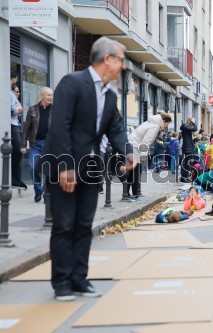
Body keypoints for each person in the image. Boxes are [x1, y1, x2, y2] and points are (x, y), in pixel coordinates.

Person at [42, 37, 135, 301]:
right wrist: (66, 167)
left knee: (84, 225)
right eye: (121, 59)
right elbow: (60, 127)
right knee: (64, 225)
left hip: (91, 168)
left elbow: (114, 128)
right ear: (107, 60)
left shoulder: (109, 94)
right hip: (64, 165)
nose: (123, 66)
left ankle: (79, 279)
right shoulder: (72, 83)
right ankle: (62, 282)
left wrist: (127, 152)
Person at [127, 113, 171, 198]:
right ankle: (134, 194)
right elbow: (145, 142)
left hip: (131, 145)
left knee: (133, 171)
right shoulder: (155, 127)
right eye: (167, 124)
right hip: (135, 147)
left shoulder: (150, 122)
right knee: (136, 171)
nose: (165, 127)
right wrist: (143, 156)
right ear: (164, 121)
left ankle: (131, 193)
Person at [21, 87, 53, 202]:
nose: (50, 97)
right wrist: (23, 144)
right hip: (36, 144)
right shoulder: (32, 110)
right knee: (33, 167)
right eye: (48, 95)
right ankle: (39, 190)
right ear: (41, 95)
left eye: (51, 95)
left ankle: (48, 193)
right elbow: (26, 129)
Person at [10, 76, 27, 189]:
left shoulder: (11, 93)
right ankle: (14, 179)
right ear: (14, 78)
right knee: (17, 150)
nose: (18, 93)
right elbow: (14, 110)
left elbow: (20, 107)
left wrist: (18, 108)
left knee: (19, 151)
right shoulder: (8, 92)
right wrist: (18, 109)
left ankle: (16, 179)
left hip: (16, 125)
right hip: (11, 125)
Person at [180, 117, 197, 183]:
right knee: (186, 163)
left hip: (188, 147)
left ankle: (185, 176)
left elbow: (193, 130)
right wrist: (194, 122)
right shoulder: (185, 126)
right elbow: (195, 128)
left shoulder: (186, 127)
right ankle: (184, 177)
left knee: (187, 163)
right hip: (188, 147)